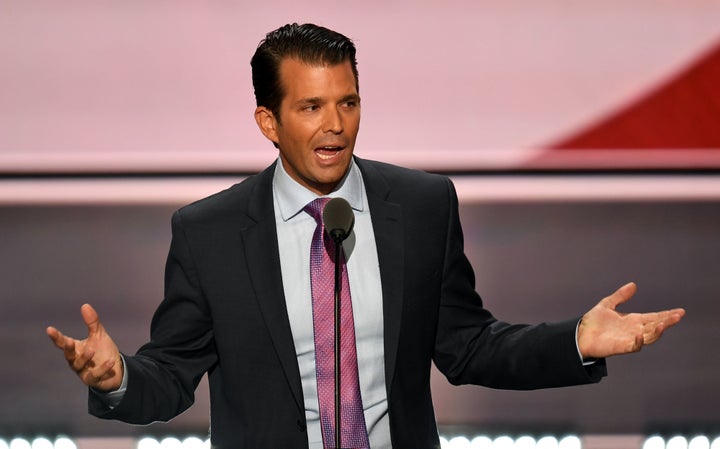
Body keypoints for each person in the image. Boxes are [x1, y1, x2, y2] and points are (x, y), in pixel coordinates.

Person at [46, 23, 685, 449]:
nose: (336, 127)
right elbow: (172, 375)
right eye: (311, 107)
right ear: (268, 121)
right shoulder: (209, 233)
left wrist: (575, 340)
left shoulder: (422, 205)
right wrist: (117, 379)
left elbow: (467, 347)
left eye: (348, 103)